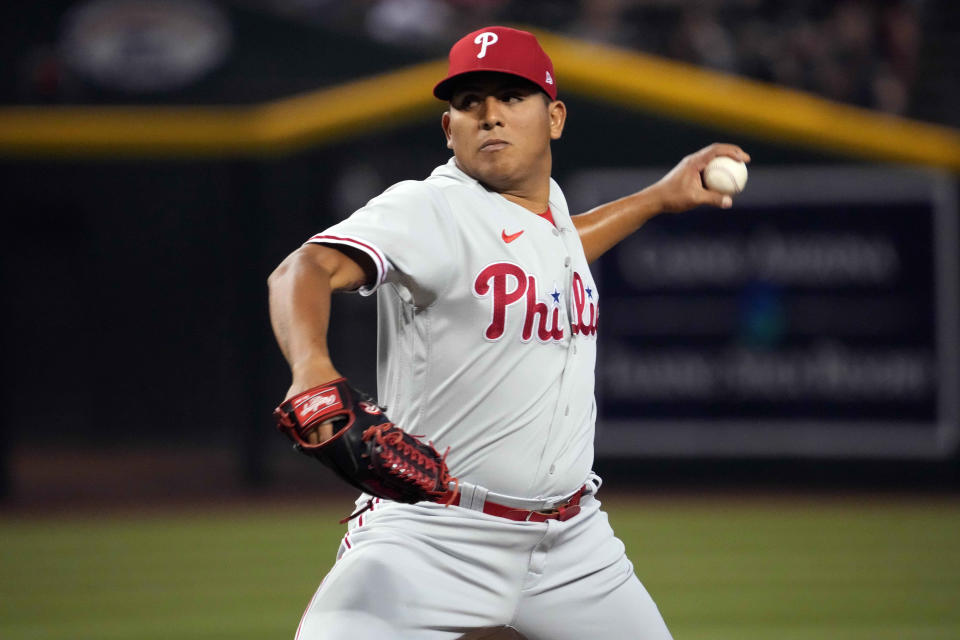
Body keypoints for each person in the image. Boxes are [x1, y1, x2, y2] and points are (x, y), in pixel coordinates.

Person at [268, 25, 749, 640]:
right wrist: (313, 369)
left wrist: (657, 198)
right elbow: (300, 269)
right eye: (469, 102)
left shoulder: (546, 218)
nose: (489, 115)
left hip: (575, 547)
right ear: (450, 129)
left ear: (554, 118)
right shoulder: (428, 208)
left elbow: (562, 244)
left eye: (511, 97)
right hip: (434, 536)